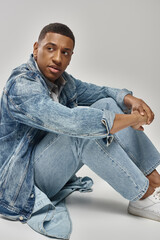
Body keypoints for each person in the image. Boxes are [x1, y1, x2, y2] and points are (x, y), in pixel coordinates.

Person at [0, 22, 160, 239]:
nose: (58, 58)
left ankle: (156, 183)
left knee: (107, 104)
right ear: (36, 48)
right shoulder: (22, 86)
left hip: (46, 166)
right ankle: (144, 197)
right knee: (82, 134)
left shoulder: (62, 81)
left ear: (71, 56)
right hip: (22, 182)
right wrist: (132, 119)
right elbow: (72, 122)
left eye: (65, 52)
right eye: (50, 48)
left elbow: (99, 92)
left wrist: (129, 99)